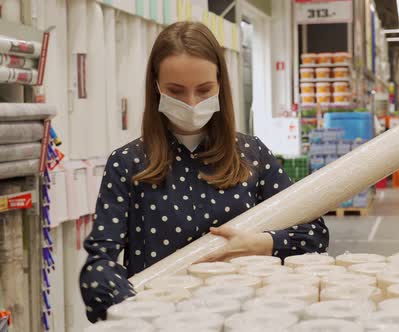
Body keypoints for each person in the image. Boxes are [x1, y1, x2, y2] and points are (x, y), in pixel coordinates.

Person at [79, 21, 329, 322]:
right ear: (156, 86)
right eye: (176, 91)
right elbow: (99, 264)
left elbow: (314, 235)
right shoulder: (128, 164)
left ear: (220, 84)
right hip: (160, 321)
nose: (192, 102)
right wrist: (119, 296)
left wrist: (261, 243)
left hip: (247, 320)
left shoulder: (252, 156)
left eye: (204, 89)